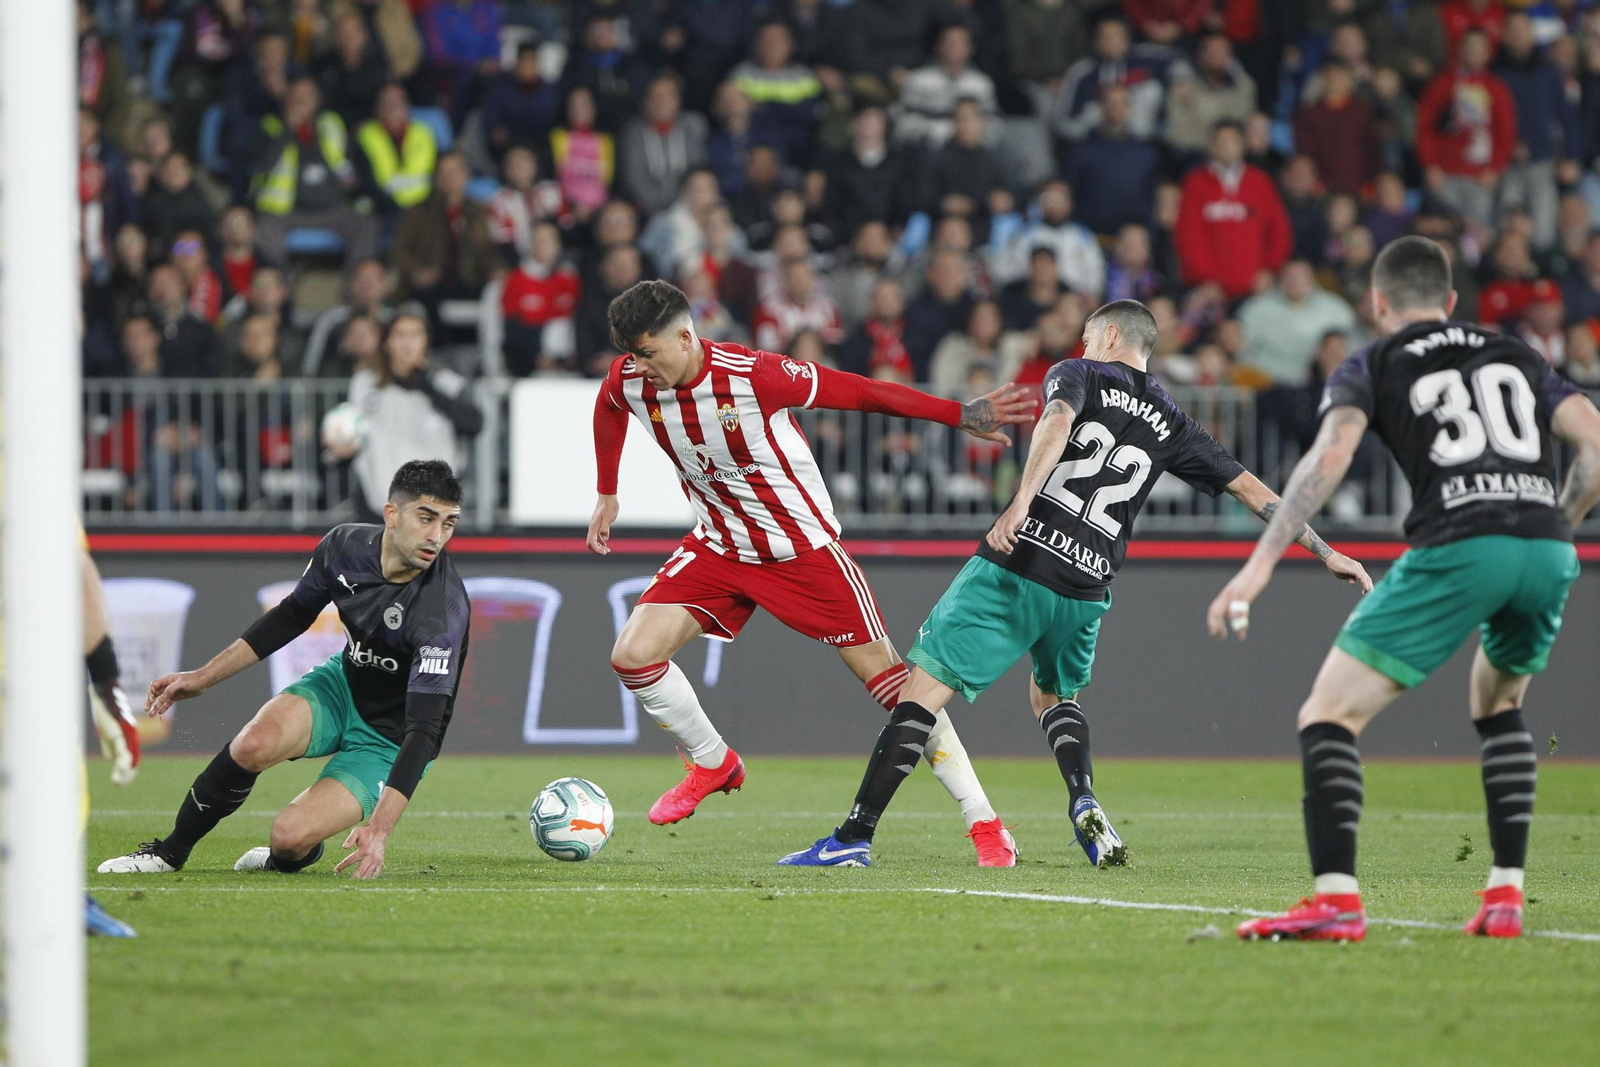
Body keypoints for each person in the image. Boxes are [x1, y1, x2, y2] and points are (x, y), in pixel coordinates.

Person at [779, 299, 1370, 867]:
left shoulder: (1078, 373)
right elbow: (1254, 491)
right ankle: (1083, 797)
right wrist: (1327, 551)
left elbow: (1057, 423)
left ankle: (854, 836)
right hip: (1087, 583)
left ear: (1110, 339)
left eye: (1089, 336)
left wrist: (1020, 503)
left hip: (1020, 563)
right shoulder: (1174, 420)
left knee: (922, 693)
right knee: (1055, 698)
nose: (1082, 345)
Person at [1211, 236, 1600, 942]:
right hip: (1545, 545)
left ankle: (1335, 899)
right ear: (1452, 302)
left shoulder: (1374, 359)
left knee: (1327, 715)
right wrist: (1556, 525)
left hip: (1460, 541)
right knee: (1498, 700)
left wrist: (1261, 563)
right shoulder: (1515, 351)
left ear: (1378, 303)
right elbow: (1595, 440)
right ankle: (1506, 893)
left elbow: (1330, 457)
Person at [590, 279, 1037, 865]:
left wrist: (959, 414)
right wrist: (607, 492)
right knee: (633, 655)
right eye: (633, 356)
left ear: (684, 334)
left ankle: (985, 824)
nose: (640, 368)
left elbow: (862, 392)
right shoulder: (631, 378)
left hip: (801, 549)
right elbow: (608, 407)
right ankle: (712, 761)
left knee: (902, 690)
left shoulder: (753, 375)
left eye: (648, 353)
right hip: (721, 545)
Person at [98, 461, 471, 880]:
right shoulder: (343, 547)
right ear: (392, 514)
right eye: (426, 518)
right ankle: (168, 852)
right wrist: (202, 677)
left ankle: (289, 856)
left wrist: (379, 829)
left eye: (449, 523)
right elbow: (292, 616)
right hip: (342, 687)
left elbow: (424, 731)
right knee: (253, 744)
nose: (437, 536)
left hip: (389, 739)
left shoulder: (441, 611)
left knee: (289, 837)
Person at [342, 315, 482, 522]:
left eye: (415, 335)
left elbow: (474, 423)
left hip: (430, 510)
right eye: (400, 335)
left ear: (426, 341)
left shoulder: (447, 384)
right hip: (378, 503)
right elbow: (348, 438)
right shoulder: (364, 384)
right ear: (387, 342)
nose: (407, 343)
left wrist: (427, 387)